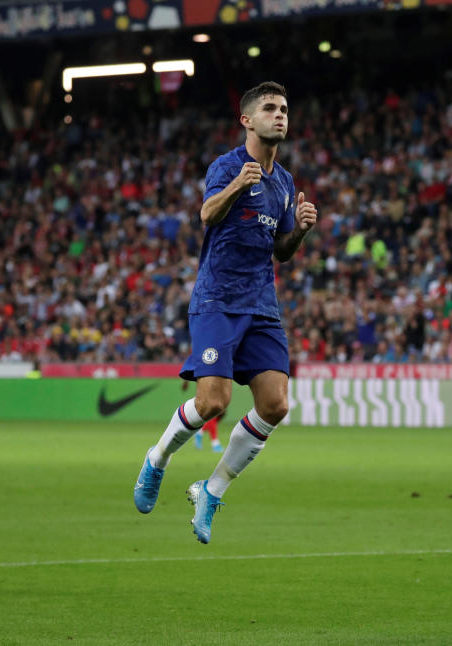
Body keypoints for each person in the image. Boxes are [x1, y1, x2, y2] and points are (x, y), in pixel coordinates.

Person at [133, 81, 318, 543]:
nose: (280, 115)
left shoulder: (285, 181)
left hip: (262, 304)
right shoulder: (227, 165)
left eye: (285, 108)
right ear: (247, 120)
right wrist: (238, 184)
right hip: (217, 298)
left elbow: (282, 252)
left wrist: (300, 232)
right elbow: (207, 215)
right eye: (271, 108)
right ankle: (157, 459)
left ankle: (211, 491)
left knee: (276, 405)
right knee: (213, 402)